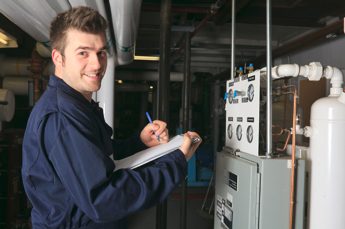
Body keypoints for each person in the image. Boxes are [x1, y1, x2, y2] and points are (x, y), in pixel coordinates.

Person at [21, 6, 201, 229]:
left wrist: (140, 143)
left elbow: (98, 159)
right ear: (59, 58)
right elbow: (104, 200)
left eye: (101, 52)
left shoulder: (77, 105)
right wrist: (175, 163)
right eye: (83, 53)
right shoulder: (62, 116)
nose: (97, 64)